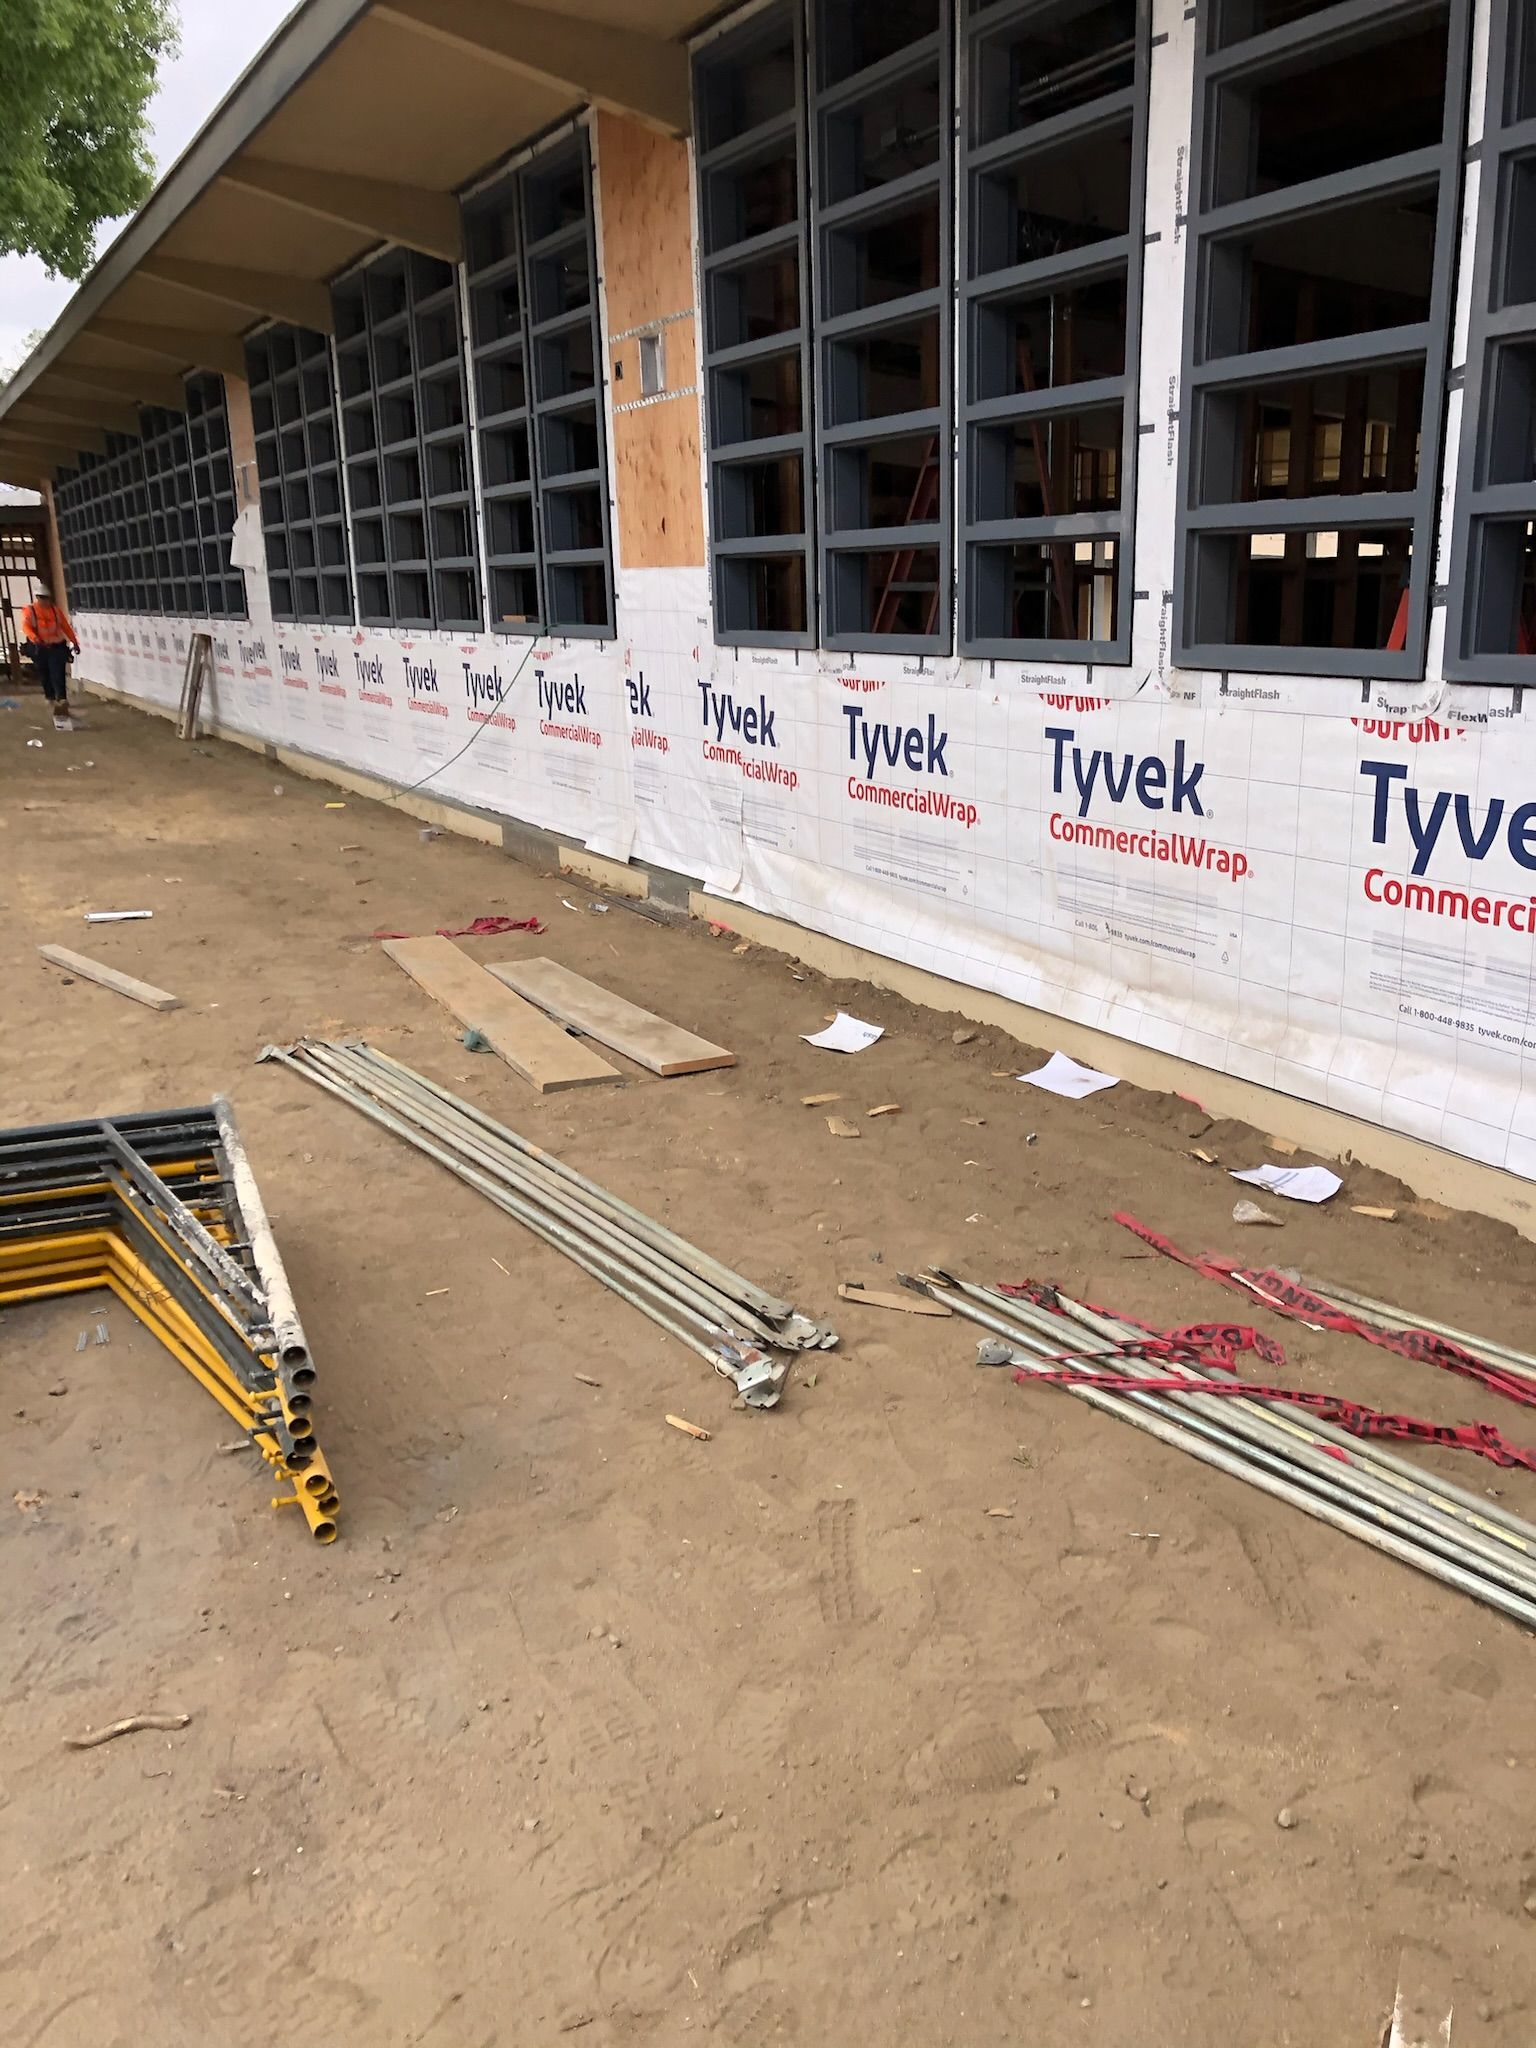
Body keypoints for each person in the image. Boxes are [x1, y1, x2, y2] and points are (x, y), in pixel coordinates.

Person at [21, 584, 81, 731]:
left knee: (58, 672)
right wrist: (35, 638)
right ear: (37, 598)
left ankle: (61, 699)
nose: (45, 601)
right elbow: (26, 627)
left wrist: (74, 642)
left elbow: (66, 627)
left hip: (56, 647)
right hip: (40, 648)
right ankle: (50, 696)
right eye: (42, 598)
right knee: (44, 673)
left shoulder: (55, 611)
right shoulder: (31, 611)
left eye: (47, 598)